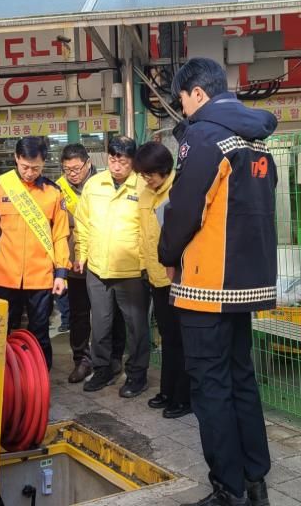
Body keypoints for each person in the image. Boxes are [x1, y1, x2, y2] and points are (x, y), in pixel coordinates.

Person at [159, 57, 277, 506]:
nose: (183, 110)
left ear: (198, 93)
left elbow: (184, 210)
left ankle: (228, 489)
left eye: (183, 101)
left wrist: (167, 255)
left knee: (210, 388)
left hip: (206, 285)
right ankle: (255, 480)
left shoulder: (204, 136)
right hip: (246, 283)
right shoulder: (256, 139)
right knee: (241, 379)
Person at [0, 136, 69, 369]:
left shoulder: (53, 192)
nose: (30, 173)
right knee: (3, 329)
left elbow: (60, 235)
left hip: (41, 276)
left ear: (44, 163)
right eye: (25, 167)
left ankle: (39, 376)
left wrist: (61, 273)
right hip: (5, 275)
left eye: (36, 168)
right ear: (16, 159)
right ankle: (4, 376)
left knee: (40, 331)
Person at [74, 136, 149, 398]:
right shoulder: (94, 184)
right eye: (113, 159)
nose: (117, 166)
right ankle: (103, 369)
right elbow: (82, 222)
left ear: (133, 162)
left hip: (132, 270)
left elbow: (150, 229)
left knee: (136, 326)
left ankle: (137, 374)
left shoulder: (143, 185)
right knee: (100, 323)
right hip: (97, 268)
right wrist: (81, 253)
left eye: (123, 162)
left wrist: (145, 263)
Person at [57, 143, 127, 383]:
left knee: (111, 312)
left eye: (76, 168)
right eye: (67, 169)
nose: (72, 174)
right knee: (79, 313)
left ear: (88, 163)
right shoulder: (59, 188)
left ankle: (114, 357)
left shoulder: (106, 183)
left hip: (105, 258)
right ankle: (82, 360)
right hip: (75, 261)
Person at [133, 142, 191, 419]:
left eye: (150, 174)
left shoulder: (180, 190)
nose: (146, 179)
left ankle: (184, 397)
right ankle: (168, 391)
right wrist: (143, 267)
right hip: (155, 277)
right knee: (167, 338)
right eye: (143, 175)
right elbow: (142, 234)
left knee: (181, 340)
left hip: (177, 278)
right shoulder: (145, 193)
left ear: (164, 169)